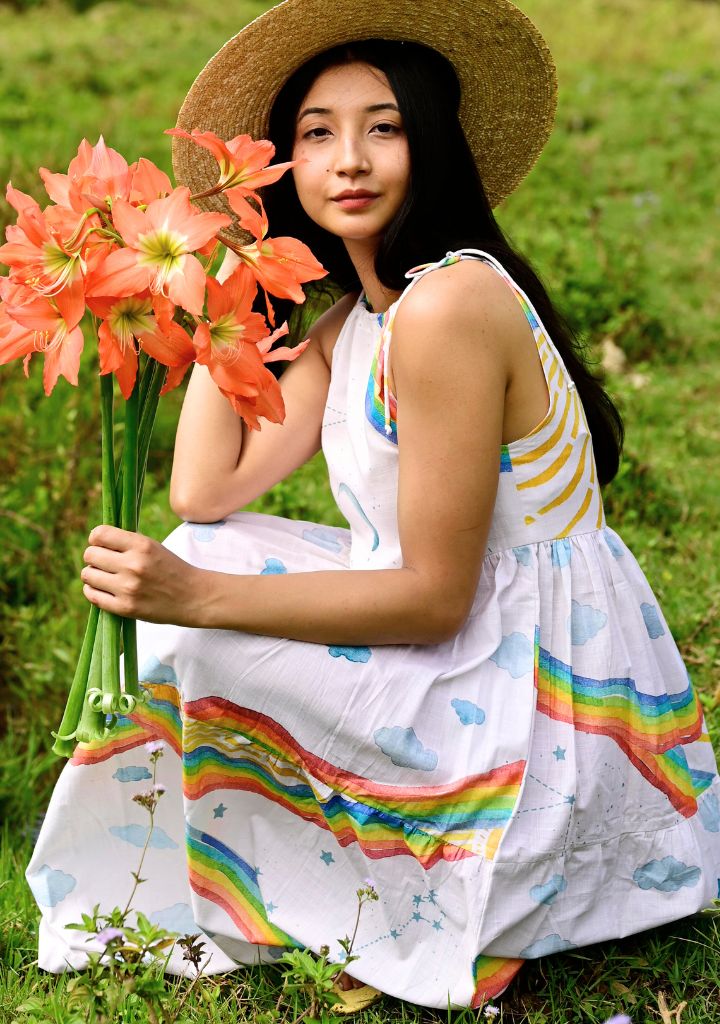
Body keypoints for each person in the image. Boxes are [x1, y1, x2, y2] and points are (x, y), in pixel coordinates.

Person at [27, 0, 720, 1010]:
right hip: (465, 628)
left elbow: (435, 598)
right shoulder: (358, 321)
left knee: (201, 631)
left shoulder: (446, 306)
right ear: (283, 167)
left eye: (383, 127)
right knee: (203, 548)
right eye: (316, 134)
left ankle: (424, 873)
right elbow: (204, 490)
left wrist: (196, 596)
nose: (348, 159)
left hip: (529, 693)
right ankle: (279, 862)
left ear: (429, 144)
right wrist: (232, 280)